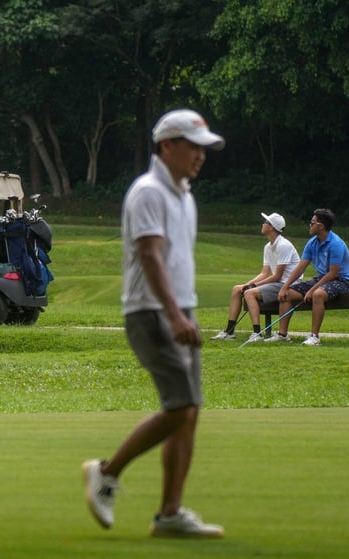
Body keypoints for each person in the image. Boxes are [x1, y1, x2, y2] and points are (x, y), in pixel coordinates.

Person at [82, 109, 225, 538]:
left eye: (204, 148)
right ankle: (106, 472)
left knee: (189, 412)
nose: (201, 155)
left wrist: (185, 312)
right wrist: (175, 314)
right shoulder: (147, 192)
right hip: (152, 312)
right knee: (180, 407)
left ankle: (170, 515)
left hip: (181, 311)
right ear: (167, 145)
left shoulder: (185, 196)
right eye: (193, 146)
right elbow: (150, 255)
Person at [265, 208, 349, 346]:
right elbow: (300, 268)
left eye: (312, 223)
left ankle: (314, 337)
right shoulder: (312, 243)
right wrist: (285, 286)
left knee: (317, 294)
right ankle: (282, 335)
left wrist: (312, 290)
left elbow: (333, 273)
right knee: (287, 294)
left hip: (341, 281)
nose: (309, 225)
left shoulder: (336, 244)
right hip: (321, 279)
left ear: (321, 226)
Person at [210, 212, 300, 343]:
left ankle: (257, 333)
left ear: (272, 227)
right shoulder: (268, 247)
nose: (263, 224)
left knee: (249, 293)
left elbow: (278, 276)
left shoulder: (283, 245)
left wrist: (253, 286)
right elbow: (264, 273)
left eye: (265, 222)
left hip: (287, 285)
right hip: (277, 283)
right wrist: (247, 284)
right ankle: (229, 332)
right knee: (237, 289)